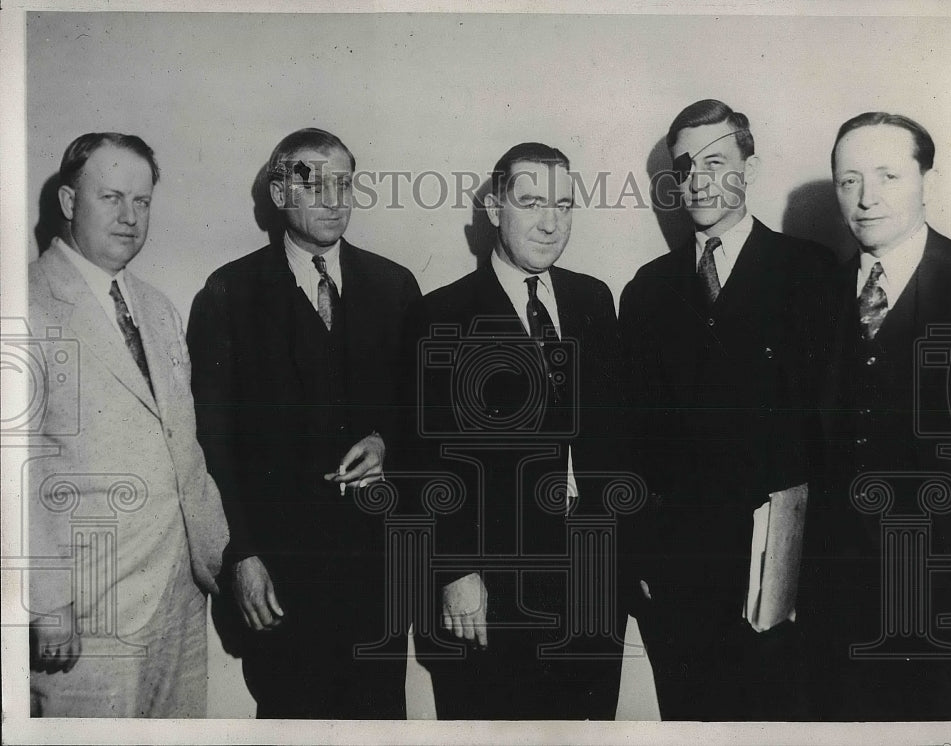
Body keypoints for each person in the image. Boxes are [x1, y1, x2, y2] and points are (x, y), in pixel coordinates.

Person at [186, 128, 420, 718]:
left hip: (378, 576)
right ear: (277, 191)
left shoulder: (395, 287)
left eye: (344, 183)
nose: (332, 197)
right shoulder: (227, 294)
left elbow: (424, 413)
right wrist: (240, 554)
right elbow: (211, 443)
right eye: (311, 180)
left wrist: (387, 439)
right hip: (280, 579)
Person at [619, 100, 834, 720]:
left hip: (779, 574)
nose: (698, 180)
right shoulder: (649, 288)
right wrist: (641, 556)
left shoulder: (811, 274)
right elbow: (631, 436)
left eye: (716, 161)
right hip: (679, 579)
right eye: (685, 167)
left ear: (751, 166)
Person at [410, 142, 628, 719]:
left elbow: (616, 438)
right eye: (531, 201)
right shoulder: (442, 314)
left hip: (593, 580)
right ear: (492, 209)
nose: (550, 221)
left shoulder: (593, 299)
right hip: (491, 590)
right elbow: (426, 459)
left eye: (563, 204)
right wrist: (455, 570)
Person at [27, 132, 229, 717]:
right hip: (86, 610)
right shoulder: (25, 304)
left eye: (142, 202)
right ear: (68, 202)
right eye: (111, 197)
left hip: (179, 596)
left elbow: (180, 446)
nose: (130, 217)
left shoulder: (159, 307)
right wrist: (46, 601)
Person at [800, 112, 951, 720]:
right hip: (838, 607)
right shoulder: (818, 297)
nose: (867, 199)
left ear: (929, 182)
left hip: (949, 607)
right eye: (848, 181)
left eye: (888, 176)